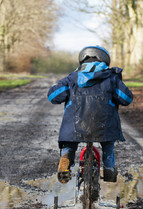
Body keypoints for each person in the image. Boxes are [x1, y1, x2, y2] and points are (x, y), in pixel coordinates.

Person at [47, 46, 133, 184]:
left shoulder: (71, 78)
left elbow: (53, 96)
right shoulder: (111, 77)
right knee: (108, 144)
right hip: (104, 126)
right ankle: (109, 168)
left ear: (82, 60)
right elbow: (126, 99)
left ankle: (66, 157)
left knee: (69, 142)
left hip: (75, 125)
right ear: (104, 59)